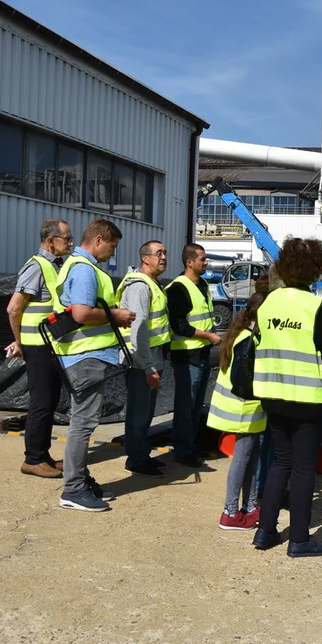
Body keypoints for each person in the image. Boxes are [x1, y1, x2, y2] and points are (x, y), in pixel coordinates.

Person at [251, 238, 322, 557]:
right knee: (304, 468)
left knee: (280, 462)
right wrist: (316, 380)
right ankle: (300, 539)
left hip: (272, 394)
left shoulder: (267, 304)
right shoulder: (315, 307)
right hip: (305, 398)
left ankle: (265, 531)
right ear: (316, 270)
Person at [53, 219, 135, 512]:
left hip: (83, 355)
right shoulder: (85, 270)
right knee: (83, 423)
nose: (113, 253)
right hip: (85, 356)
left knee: (82, 421)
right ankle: (73, 489)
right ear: (99, 240)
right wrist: (118, 315)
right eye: (112, 246)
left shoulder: (77, 265)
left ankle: (80, 480)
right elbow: (82, 313)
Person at [5, 219, 72, 478]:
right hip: (37, 346)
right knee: (41, 402)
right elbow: (13, 308)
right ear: (49, 239)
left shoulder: (56, 266)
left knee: (50, 401)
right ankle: (32, 459)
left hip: (49, 345)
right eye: (66, 238)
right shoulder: (37, 267)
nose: (69, 243)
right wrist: (19, 341)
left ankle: (42, 454)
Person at [209, 292, 269, 531]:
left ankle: (251, 506)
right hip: (244, 408)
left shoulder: (239, 333)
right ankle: (230, 511)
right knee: (242, 459)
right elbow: (246, 380)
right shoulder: (249, 340)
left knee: (251, 458)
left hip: (241, 407)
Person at [117, 240, 171, 478]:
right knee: (139, 411)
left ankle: (141, 453)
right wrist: (148, 366)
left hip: (150, 355)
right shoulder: (140, 286)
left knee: (146, 410)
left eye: (165, 253)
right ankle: (136, 459)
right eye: (159, 253)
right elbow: (139, 328)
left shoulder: (152, 284)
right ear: (145, 258)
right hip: (139, 359)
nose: (163, 257)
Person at [166, 243, 221, 468]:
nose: (206, 262)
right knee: (185, 406)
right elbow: (177, 324)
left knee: (196, 405)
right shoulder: (178, 288)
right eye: (203, 259)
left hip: (202, 353)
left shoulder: (203, 285)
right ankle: (182, 449)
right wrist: (207, 335)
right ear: (190, 262)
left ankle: (190, 444)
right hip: (187, 354)